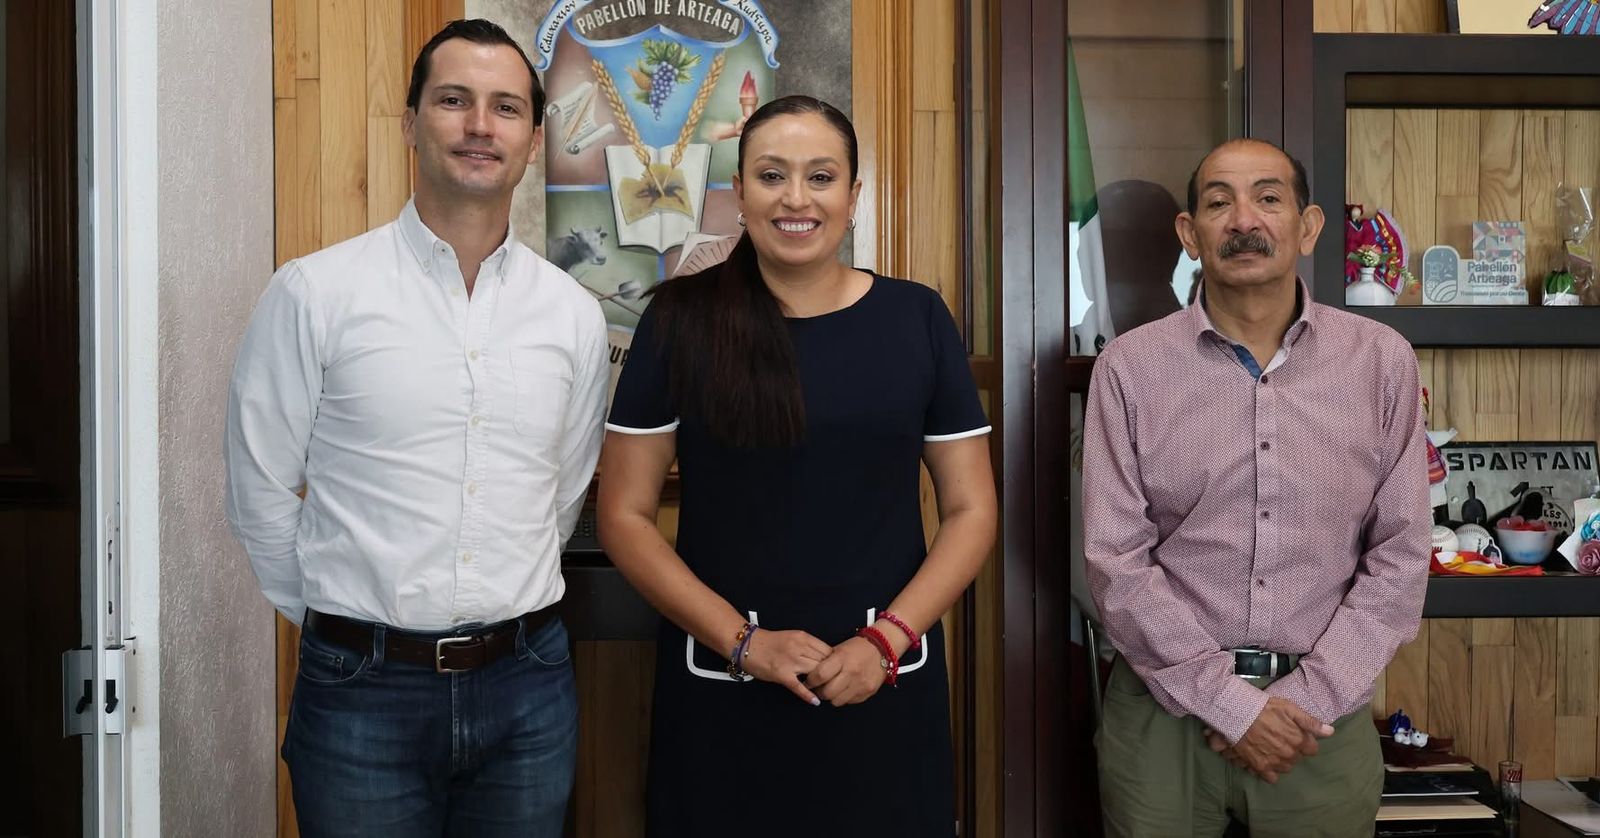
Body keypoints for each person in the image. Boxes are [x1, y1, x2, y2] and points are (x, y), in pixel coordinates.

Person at [224, 19, 607, 837]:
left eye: (506, 107)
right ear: (410, 122)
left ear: (534, 141)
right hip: (361, 693)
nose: (480, 125)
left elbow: (562, 492)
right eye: (453, 100)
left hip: (528, 688)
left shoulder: (573, 314)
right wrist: (346, 623)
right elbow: (260, 492)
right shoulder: (315, 294)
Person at [596, 95, 997, 837]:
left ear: (853, 194)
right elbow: (623, 515)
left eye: (820, 177)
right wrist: (743, 643)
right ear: (740, 191)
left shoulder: (916, 318)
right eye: (772, 175)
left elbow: (972, 510)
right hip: (723, 691)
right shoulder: (680, 320)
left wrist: (887, 641)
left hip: (882, 683)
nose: (796, 199)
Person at [1081, 138, 1431, 837]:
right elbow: (1114, 559)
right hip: (1162, 718)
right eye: (1219, 203)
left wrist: (1305, 701)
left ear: (1308, 226)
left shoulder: (1379, 361)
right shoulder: (1129, 369)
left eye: (1268, 198)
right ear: (1190, 234)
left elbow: (1401, 555)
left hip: (1318, 721)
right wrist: (1233, 707)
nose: (1244, 220)